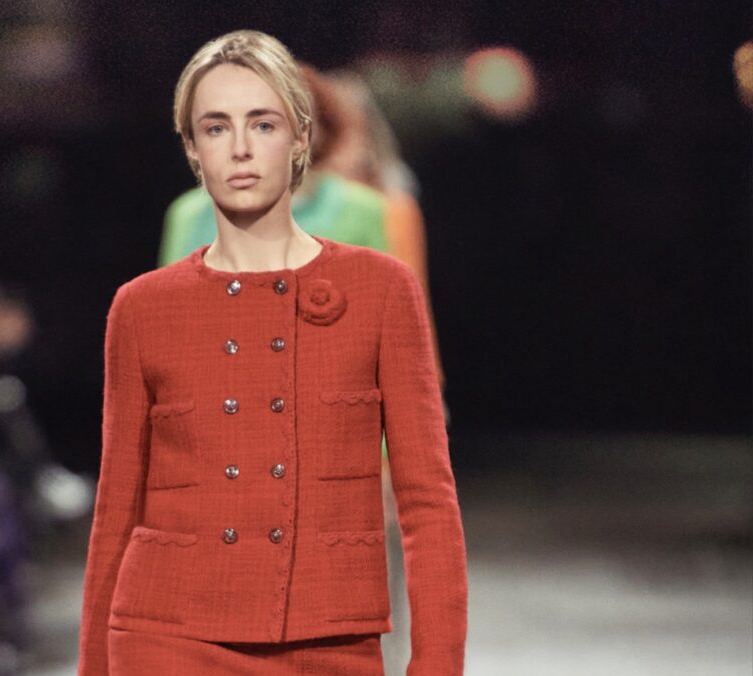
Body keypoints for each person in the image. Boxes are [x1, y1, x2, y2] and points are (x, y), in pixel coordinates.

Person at [78, 30, 467, 675]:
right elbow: (117, 507)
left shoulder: (380, 289)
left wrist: (438, 666)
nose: (240, 148)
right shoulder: (142, 308)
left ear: (302, 139)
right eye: (215, 127)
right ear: (192, 148)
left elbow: (428, 502)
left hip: (327, 638)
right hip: (166, 636)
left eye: (263, 124)